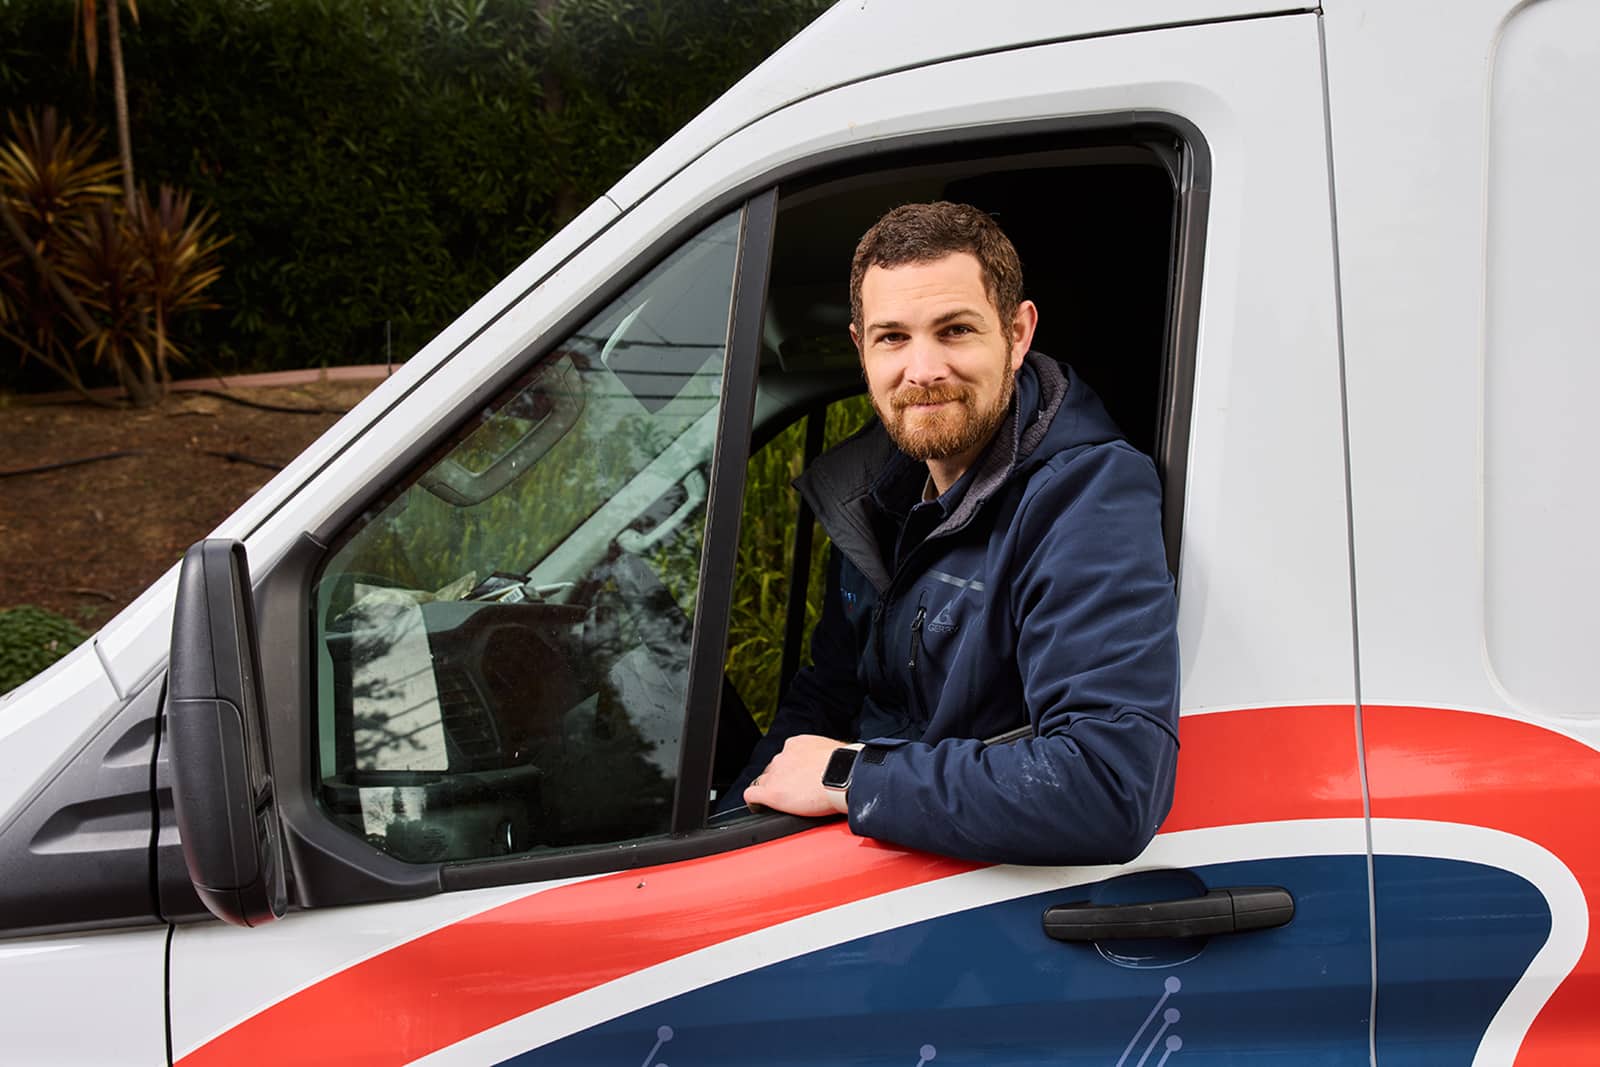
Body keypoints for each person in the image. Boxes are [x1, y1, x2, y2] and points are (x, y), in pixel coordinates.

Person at [730, 201, 1180, 866]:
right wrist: (728, 828)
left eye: (955, 330)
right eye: (893, 338)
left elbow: (1109, 785)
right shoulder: (871, 495)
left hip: (973, 904)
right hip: (856, 875)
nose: (923, 369)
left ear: (1017, 333)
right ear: (861, 348)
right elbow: (829, 693)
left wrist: (849, 775)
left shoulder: (1088, 499)